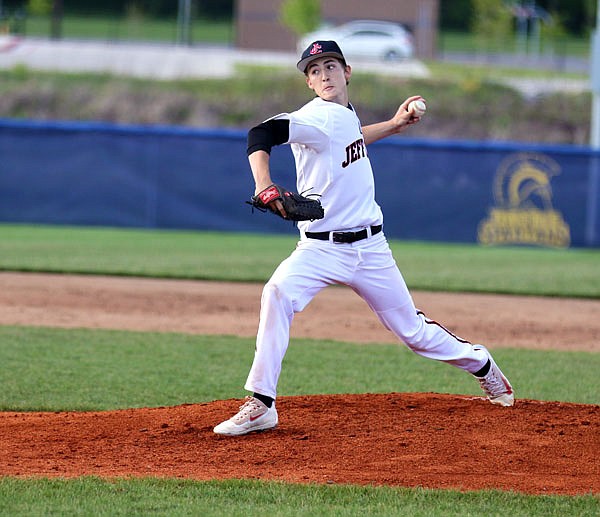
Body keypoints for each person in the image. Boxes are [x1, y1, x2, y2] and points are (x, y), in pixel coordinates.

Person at [214, 40, 514, 436]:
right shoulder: (317, 115)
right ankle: (262, 403)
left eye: (330, 66)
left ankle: (481, 363)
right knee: (278, 294)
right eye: (315, 70)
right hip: (320, 247)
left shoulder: (344, 115)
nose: (324, 75)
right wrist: (264, 183)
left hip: (371, 249)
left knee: (413, 333)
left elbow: (351, 138)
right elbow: (262, 132)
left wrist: (393, 125)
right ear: (308, 82)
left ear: (347, 72)